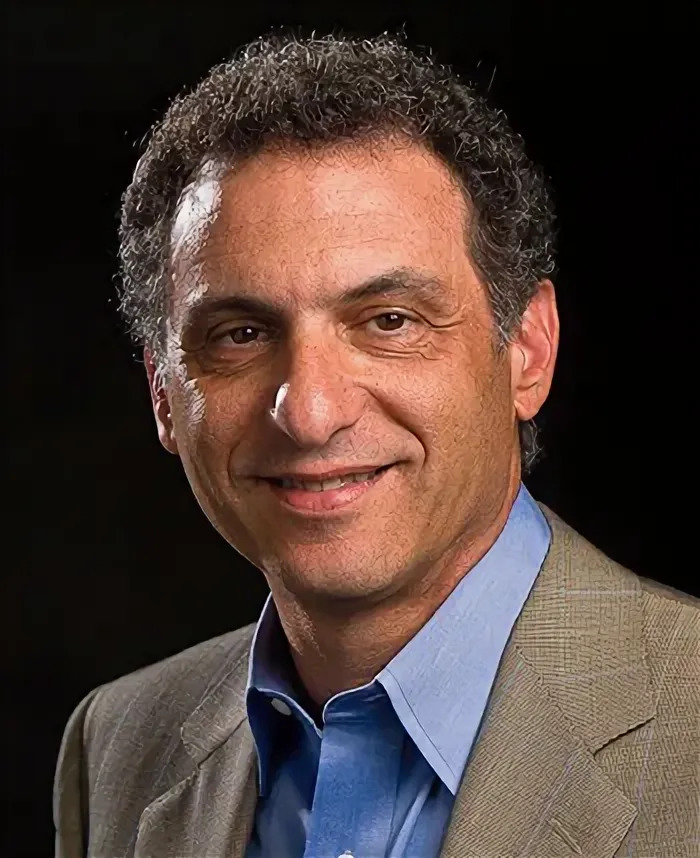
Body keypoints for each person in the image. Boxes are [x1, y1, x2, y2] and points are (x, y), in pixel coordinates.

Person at [53, 30, 699, 858]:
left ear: (528, 351)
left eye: (389, 321)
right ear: (163, 395)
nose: (311, 411)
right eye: (241, 334)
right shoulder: (115, 747)